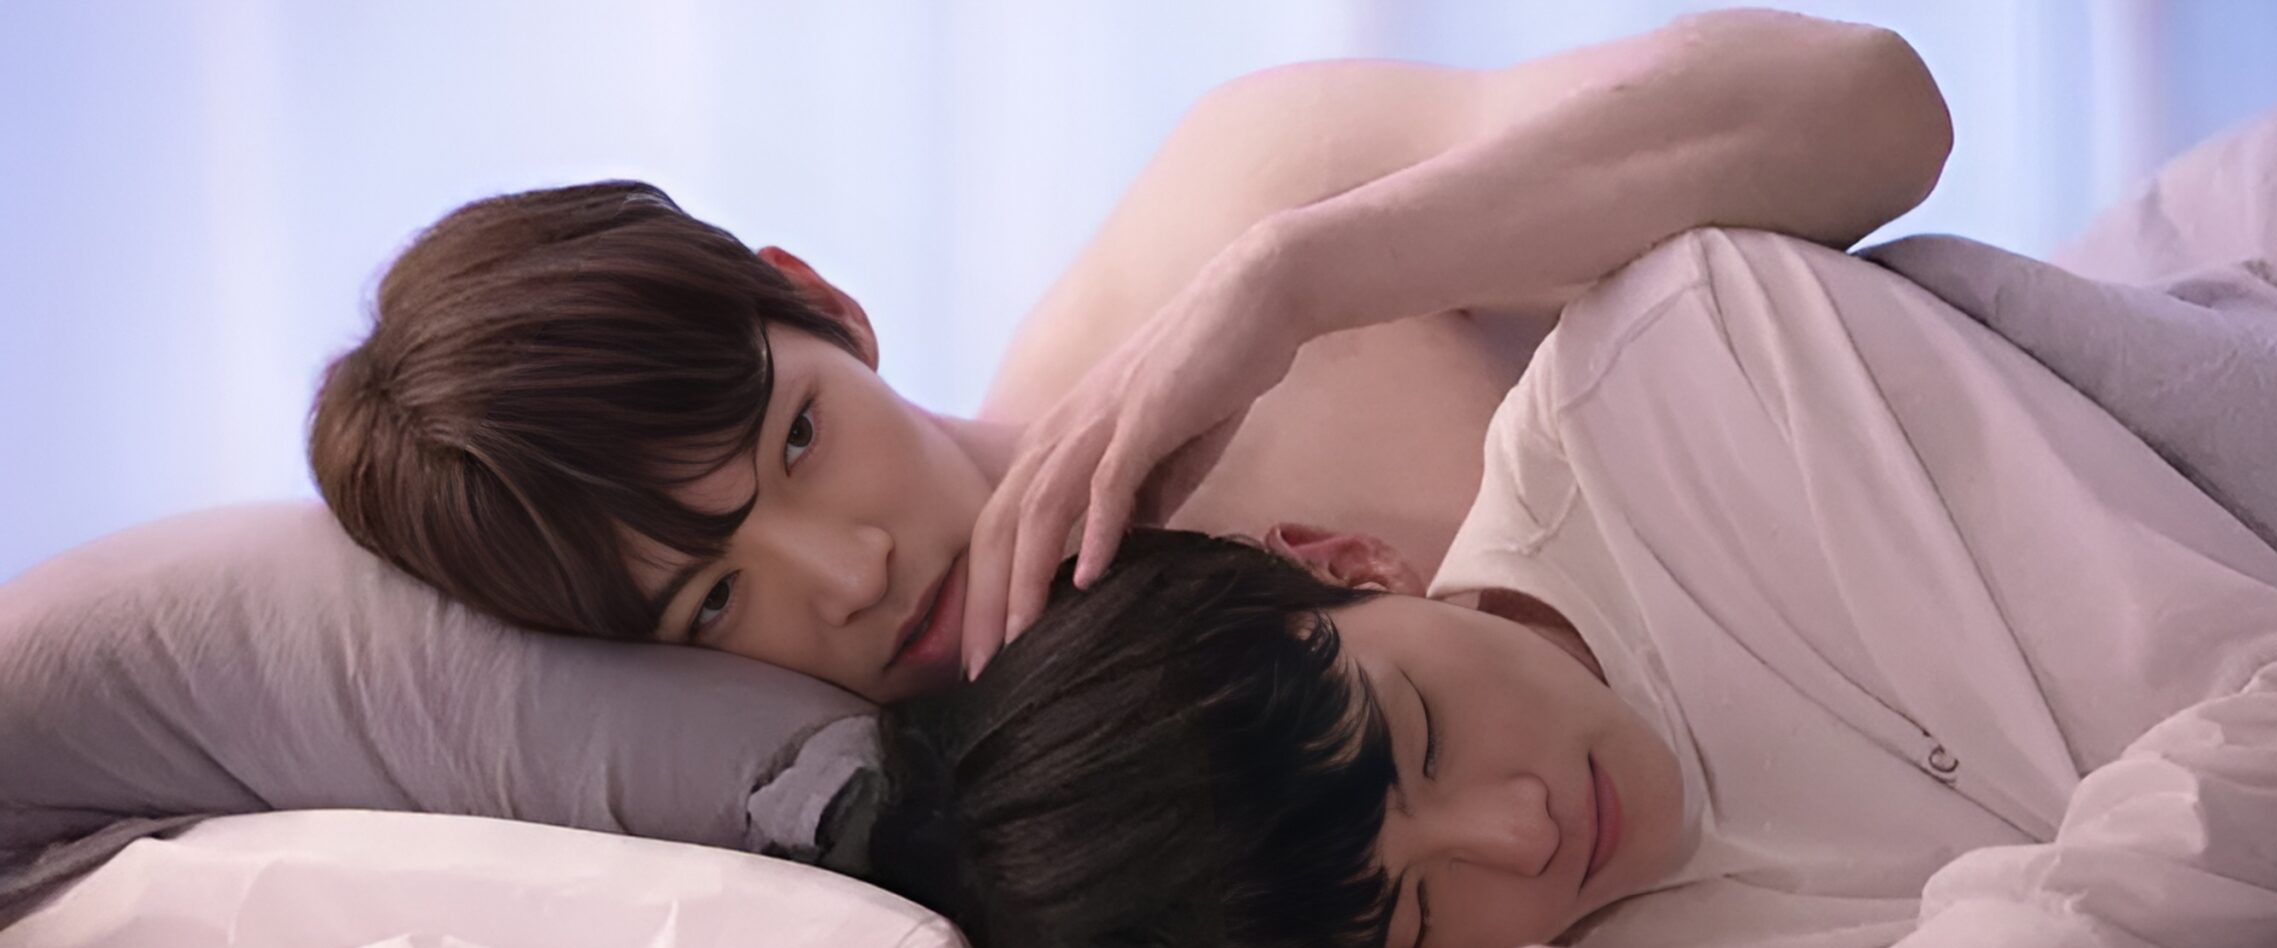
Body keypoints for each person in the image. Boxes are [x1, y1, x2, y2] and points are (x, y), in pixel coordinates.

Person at [858, 223, 2277, 948]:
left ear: (1342, 560)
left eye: (1422, 734)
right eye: (1421, 909)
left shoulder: (1695, 376)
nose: (1521, 831)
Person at [305, 10, 1952, 704]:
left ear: (823, 302)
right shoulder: (981, 800)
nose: (850, 577)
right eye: (715, 601)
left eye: (798, 439)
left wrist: (1296, 280)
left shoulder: (1245, 211)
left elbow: (1878, 111)